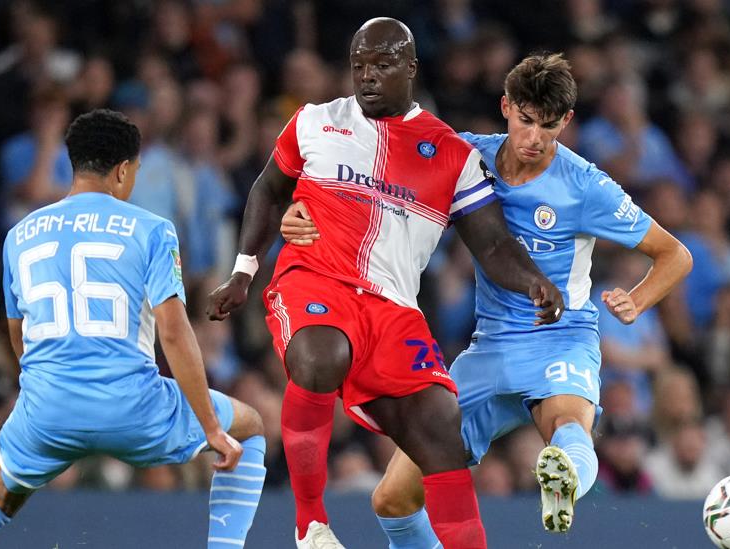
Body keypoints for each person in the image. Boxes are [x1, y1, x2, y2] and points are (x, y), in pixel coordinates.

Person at [281, 53, 693, 543]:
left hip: (560, 337)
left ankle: (562, 480)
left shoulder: (586, 186)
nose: (534, 138)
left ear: (566, 121)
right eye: (526, 120)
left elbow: (675, 254)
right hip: (490, 348)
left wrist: (638, 300)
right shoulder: (466, 157)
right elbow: (369, 179)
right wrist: (302, 209)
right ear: (506, 107)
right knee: (392, 499)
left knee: (567, 425)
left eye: (548, 126)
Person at [208, 18, 563, 549]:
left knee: (440, 423)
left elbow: (491, 244)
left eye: (382, 65)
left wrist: (534, 280)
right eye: (359, 66)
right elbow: (268, 189)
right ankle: (311, 525)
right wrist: (243, 271)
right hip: (316, 280)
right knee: (320, 355)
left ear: (411, 68)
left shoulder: (451, 154)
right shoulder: (314, 121)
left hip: (393, 308)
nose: (367, 76)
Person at [0, 110, 267, 549]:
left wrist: (52, 396)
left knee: (2, 491)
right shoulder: (153, 230)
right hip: (134, 409)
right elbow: (172, 332)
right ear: (123, 170)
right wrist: (210, 426)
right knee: (249, 426)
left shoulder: (19, 235)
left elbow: (19, 336)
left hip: (49, 411)